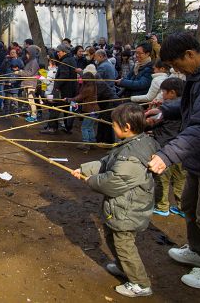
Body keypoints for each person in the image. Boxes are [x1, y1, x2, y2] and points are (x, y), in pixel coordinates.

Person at [72, 103, 160, 297]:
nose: (111, 126)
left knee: (124, 246)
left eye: (113, 124)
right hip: (121, 208)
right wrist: (85, 169)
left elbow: (113, 181)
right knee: (113, 238)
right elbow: (107, 162)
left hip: (128, 210)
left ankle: (140, 283)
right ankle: (123, 267)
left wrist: (91, 180)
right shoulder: (134, 143)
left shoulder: (132, 158)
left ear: (126, 127)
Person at [148, 33, 200, 289]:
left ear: (190, 55)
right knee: (191, 208)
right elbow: (191, 105)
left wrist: (167, 155)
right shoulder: (198, 77)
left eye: (176, 64)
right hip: (199, 158)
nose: (175, 70)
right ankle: (196, 250)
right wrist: (165, 110)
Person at [146, 77, 186, 217]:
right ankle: (182, 207)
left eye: (164, 92)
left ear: (172, 93)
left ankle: (162, 206)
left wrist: (151, 109)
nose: (162, 94)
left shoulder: (166, 110)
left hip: (165, 148)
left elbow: (151, 123)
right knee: (180, 179)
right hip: (183, 148)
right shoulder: (187, 105)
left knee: (162, 178)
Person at [42, 44, 77, 134]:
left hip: (64, 90)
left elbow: (64, 76)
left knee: (56, 108)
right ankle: (67, 127)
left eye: (59, 51)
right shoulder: (72, 59)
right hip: (71, 90)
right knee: (66, 109)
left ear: (64, 51)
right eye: (57, 52)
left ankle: (52, 128)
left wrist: (56, 87)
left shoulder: (65, 61)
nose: (57, 53)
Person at [67, 71, 99, 151]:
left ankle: (86, 144)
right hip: (95, 110)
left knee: (84, 127)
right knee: (90, 127)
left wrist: (68, 99)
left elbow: (79, 97)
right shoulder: (93, 86)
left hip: (90, 110)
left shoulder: (88, 88)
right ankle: (92, 143)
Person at [15, 45, 40, 122]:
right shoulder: (30, 61)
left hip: (31, 84)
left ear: (32, 53)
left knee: (31, 100)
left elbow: (30, 73)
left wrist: (20, 72)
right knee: (28, 100)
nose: (27, 55)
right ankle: (30, 113)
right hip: (27, 83)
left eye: (28, 53)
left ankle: (34, 115)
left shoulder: (34, 62)